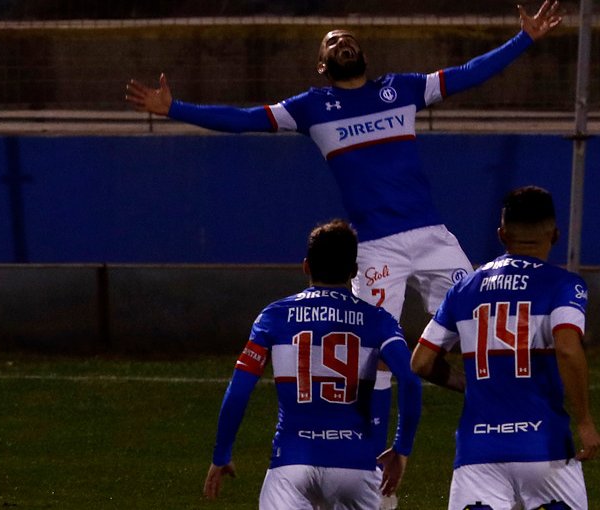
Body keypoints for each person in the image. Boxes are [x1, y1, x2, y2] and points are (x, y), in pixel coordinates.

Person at [128, 6, 562, 508]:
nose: (341, 42)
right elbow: (244, 119)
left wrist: (523, 39)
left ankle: (517, 423)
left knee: (486, 325)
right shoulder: (311, 107)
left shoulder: (400, 89)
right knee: (373, 361)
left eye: (346, 38)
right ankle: (377, 480)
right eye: (331, 42)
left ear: (362, 53)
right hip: (377, 248)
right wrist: (175, 108)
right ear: (321, 64)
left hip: (432, 236)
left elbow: (468, 75)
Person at [202, 219, 422, 509]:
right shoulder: (379, 321)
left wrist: (221, 454)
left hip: (291, 464)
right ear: (354, 271)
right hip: (356, 467)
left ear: (306, 266)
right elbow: (409, 380)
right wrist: (401, 449)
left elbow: (239, 390)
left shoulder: (274, 316)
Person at [410, 186, 600, 510]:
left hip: (477, 450)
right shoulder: (563, 285)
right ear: (554, 234)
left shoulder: (464, 289)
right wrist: (584, 420)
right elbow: (568, 349)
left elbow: (421, 362)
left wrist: (465, 384)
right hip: (545, 446)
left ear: (502, 234)